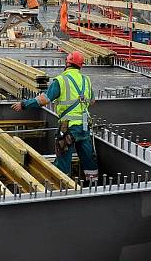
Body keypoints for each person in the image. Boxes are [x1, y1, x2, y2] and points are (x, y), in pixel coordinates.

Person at [11, 51, 99, 180]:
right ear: (80, 66)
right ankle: (93, 185)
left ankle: (64, 187)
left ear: (67, 63)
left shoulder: (61, 80)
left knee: (63, 158)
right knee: (88, 158)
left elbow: (43, 100)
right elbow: (92, 101)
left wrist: (24, 104)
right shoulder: (86, 80)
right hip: (84, 126)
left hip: (68, 127)